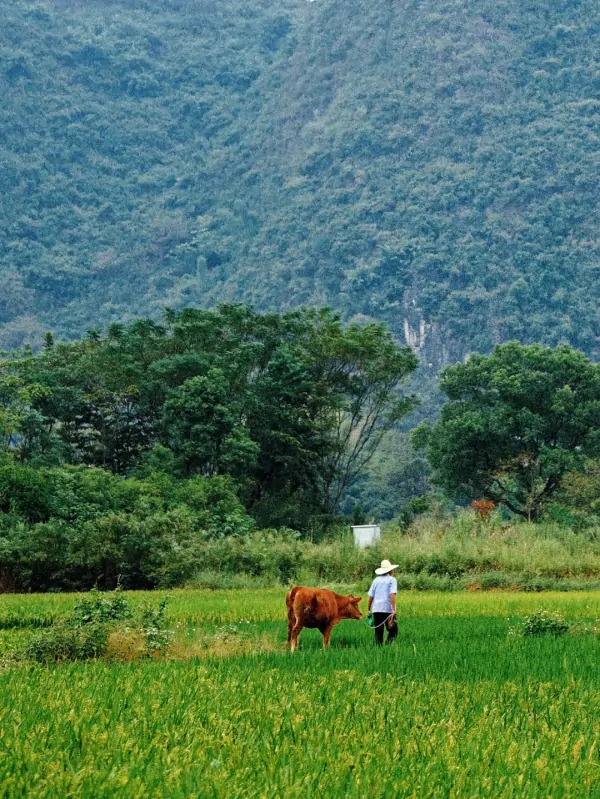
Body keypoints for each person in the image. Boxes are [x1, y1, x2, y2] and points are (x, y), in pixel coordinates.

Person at [367, 559, 398, 646]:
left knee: (378, 633)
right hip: (387, 610)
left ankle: (379, 650)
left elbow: (370, 596)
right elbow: (392, 594)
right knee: (393, 631)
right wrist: (393, 609)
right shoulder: (392, 580)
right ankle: (388, 646)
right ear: (390, 570)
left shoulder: (376, 580)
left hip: (376, 610)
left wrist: (368, 610)